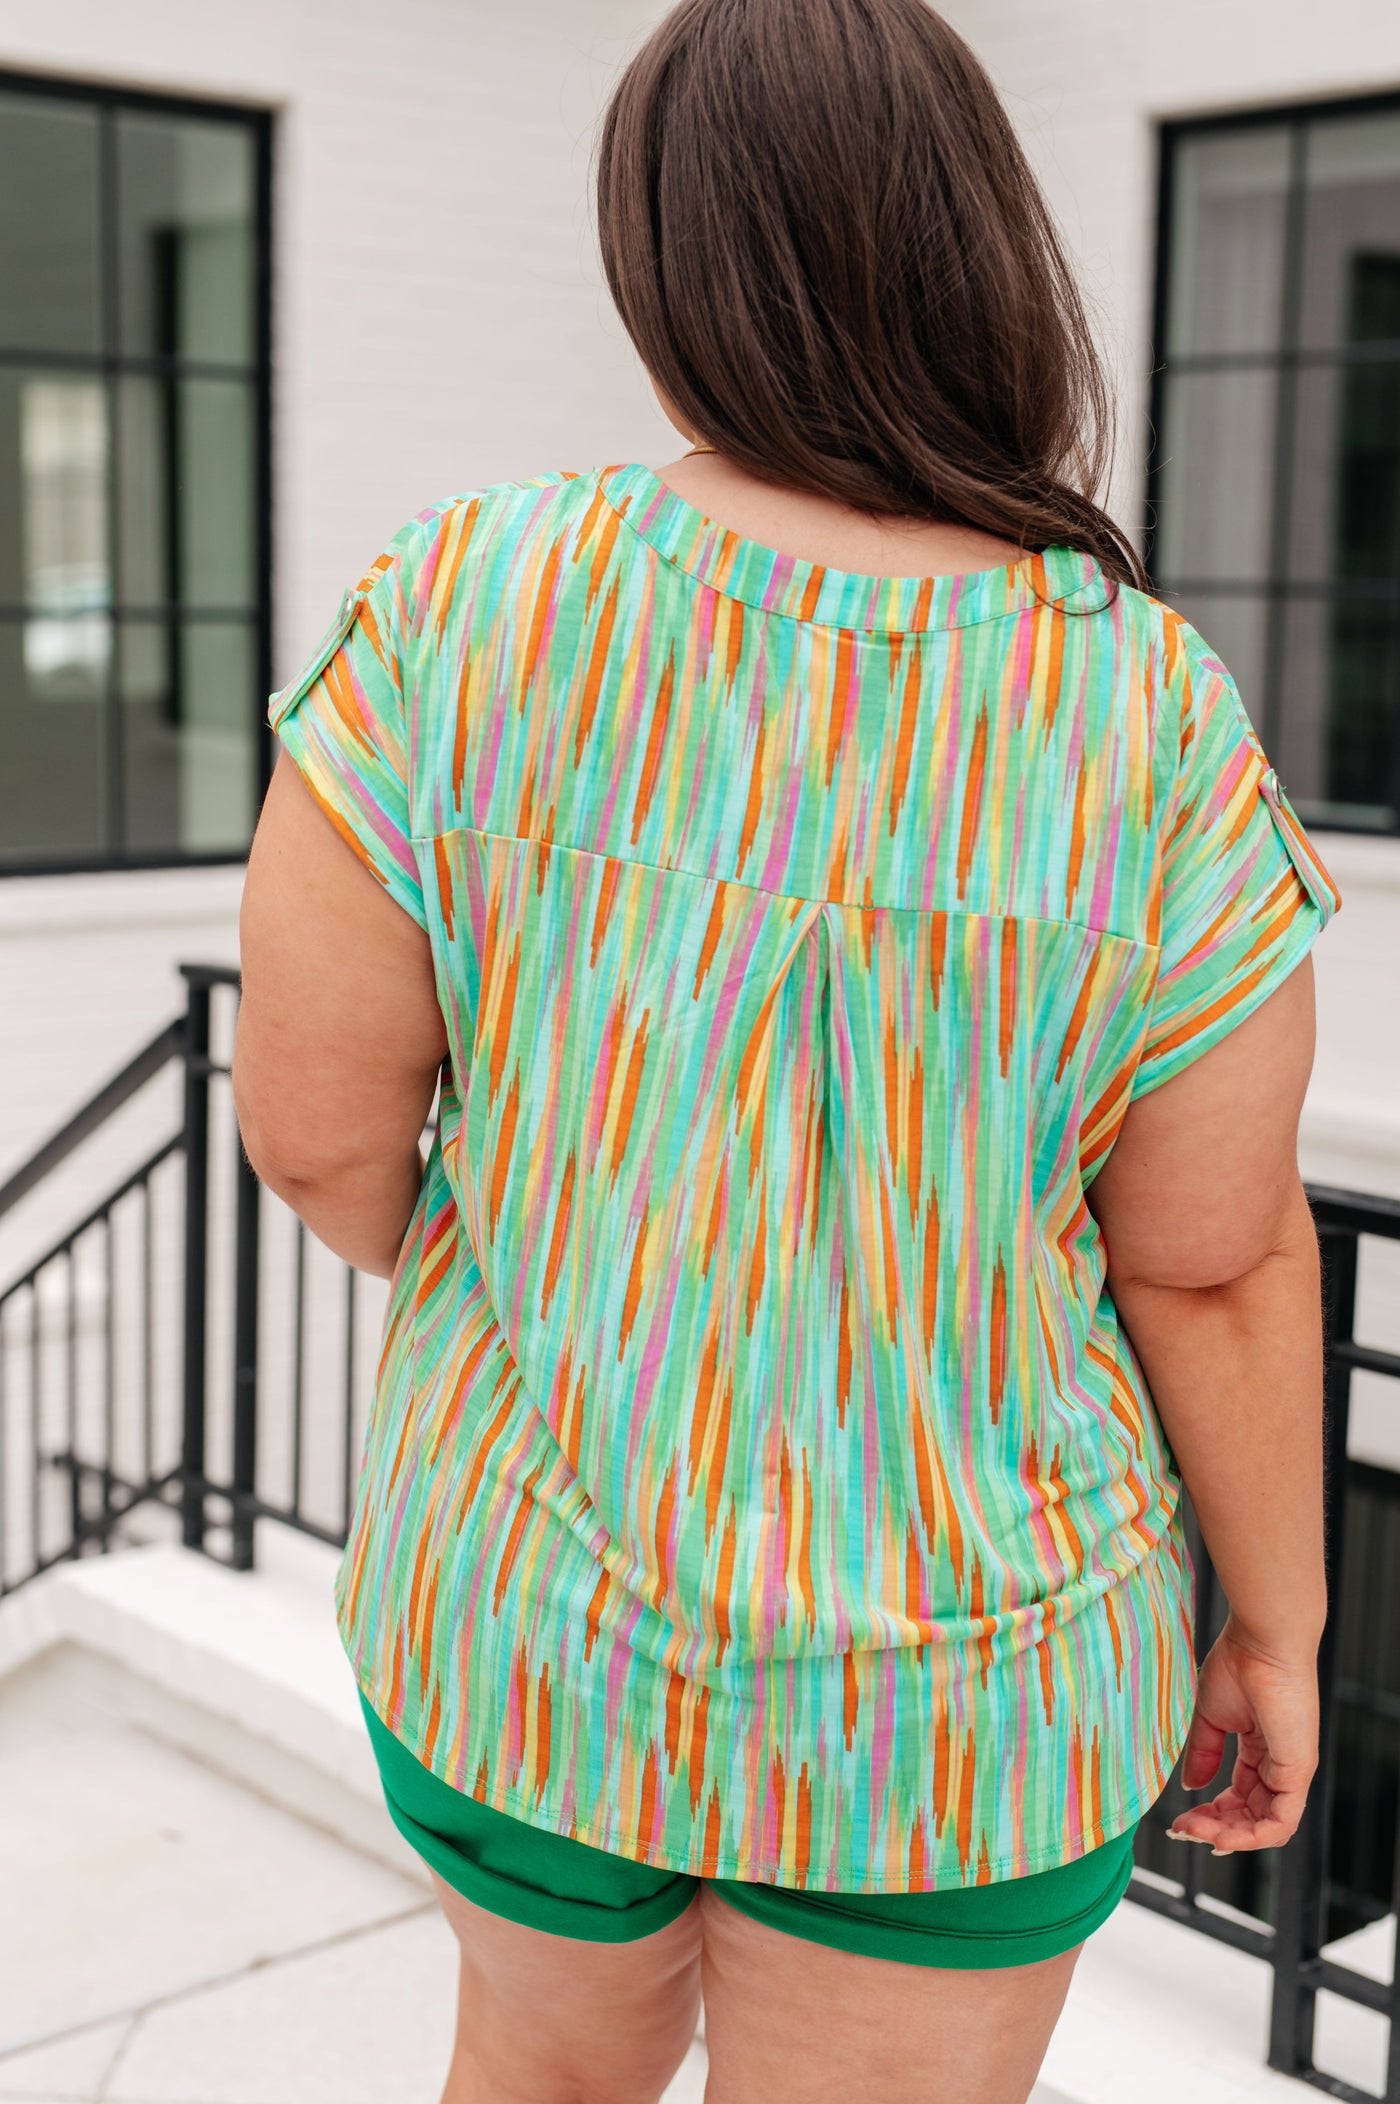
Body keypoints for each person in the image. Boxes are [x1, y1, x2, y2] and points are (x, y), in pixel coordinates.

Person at [231, 1, 1342, 2097]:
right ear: (979, 252)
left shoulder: (467, 605)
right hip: (969, 1692)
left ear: (666, 264)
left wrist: (566, 1272)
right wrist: (1274, 1624)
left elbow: (312, 1138)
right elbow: (1211, 1256)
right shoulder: (1146, 716)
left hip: (532, 1612)